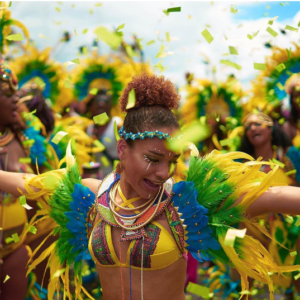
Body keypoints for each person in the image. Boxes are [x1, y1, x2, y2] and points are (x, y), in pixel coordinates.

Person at [2, 73, 300, 300]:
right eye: (152, 158)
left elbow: (274, 196)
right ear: (122, 149)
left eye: (171, 160)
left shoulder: (186, 206)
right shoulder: (91, 196)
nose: (163, 172)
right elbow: (29, 184)